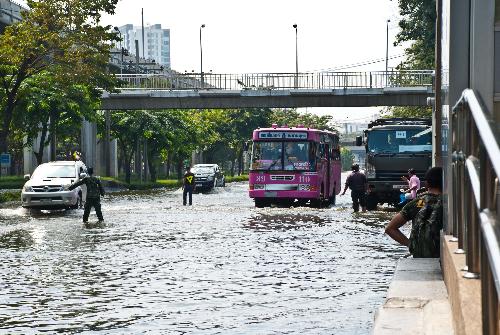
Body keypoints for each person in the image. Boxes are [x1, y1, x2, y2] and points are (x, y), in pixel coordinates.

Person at [385, 167, 443, 258]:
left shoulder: (419, 203)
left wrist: (411, 245)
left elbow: (390, 228)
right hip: (444, 255)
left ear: (427, 184)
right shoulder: (451, 204)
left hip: (420, 255)